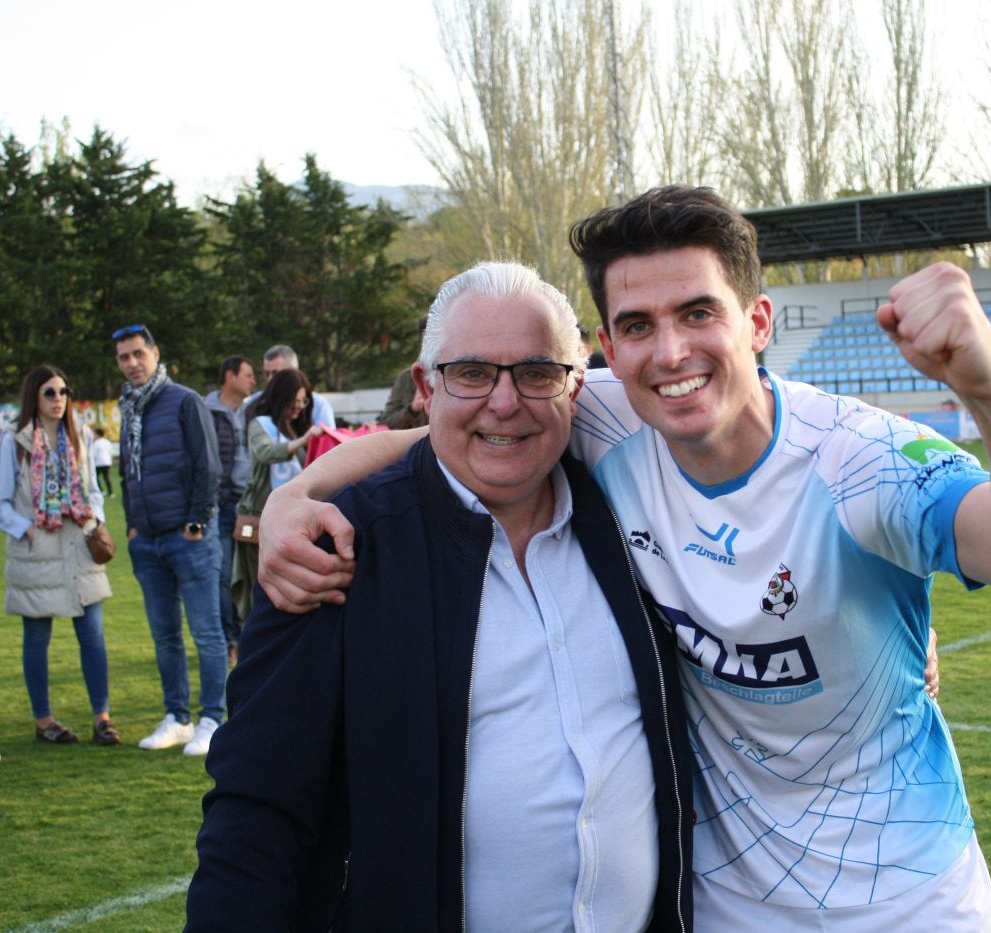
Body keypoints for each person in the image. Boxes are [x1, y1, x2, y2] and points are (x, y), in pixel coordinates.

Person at [257, 186, 991, 929]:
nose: (669, 353)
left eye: (698, 313)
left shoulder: (862, 464)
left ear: (758, 320)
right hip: (723, 908)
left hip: (906, 901)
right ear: (606, 347)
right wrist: (294, 498)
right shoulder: (603, 413)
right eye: (638, 326)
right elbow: (443, 433)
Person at [187, 262, 693, 930]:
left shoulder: (634, 515)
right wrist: (295, 495)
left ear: (575, 386)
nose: (505, 401)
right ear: (428, 387)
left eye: (537, 372)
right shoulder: (334, 548)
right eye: (473, 372)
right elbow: (257, 811)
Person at [0, 365, 119, 746]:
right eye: (49, 392)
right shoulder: (16, 443)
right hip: (37, 552)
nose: (58, 399)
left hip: (79, 548)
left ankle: (102, 718)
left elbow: (93, 491)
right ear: (34, 397)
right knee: (37, 638)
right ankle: (44, 721)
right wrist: (27, 529)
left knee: (93, 635)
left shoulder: (81, 439)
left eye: (63, 391)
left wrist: (94, 520)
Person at [112, 324, 226, 755]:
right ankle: (177, 717)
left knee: (207, 633)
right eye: (124, 357)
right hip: (148, 540)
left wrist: (196, 520)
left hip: (188, 536)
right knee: (165, 636)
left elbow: (207, 465)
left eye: (138, 354)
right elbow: (128, 472)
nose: (132, 363)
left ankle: (212, 718)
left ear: (155, 354)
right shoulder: (130, 408)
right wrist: (132, 523)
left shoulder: (185, 400)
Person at [229, 368, 324, 624]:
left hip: (291, 523)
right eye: (295, 402)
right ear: (281, 398)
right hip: (258, 521)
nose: (299, 408)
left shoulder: (293, 428)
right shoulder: (260, 425)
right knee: (259, 591)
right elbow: (266, 453)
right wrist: (304, 440)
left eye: (303, 402)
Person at [204, 355, 256, 662]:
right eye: (248, 375)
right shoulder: (206, 412)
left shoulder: (252, 412)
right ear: (229, 377)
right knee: (222, 575)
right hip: (222, 507)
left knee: (248, 572)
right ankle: (229, 639)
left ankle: (247, 636)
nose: (253, 381)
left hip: (247, 507)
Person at [260, 345, 336, 427]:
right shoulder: (255, 404)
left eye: (276, 374)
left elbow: (328, 439)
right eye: (267, 374)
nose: (270, 379)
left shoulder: (318, 405)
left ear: (294, 372)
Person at [375, 315, 430, 429]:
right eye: (428, 341)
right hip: (415, 445)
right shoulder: (406, 378)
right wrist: (412, 409)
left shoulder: (458, 376)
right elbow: (385, 422)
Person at [90, 427, 114, 495]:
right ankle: (111, 492)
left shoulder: (96, 443)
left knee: (95, 477)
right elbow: (111, 452)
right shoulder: (107, 442)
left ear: (97, 434)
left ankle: (101, 490)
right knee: (107, 477)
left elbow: (93, 454)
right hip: (107, 462)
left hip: (99, 463)